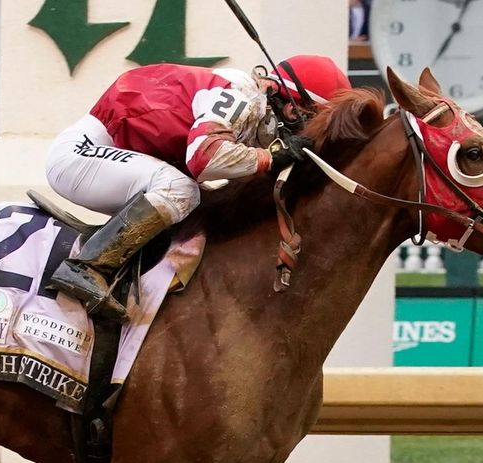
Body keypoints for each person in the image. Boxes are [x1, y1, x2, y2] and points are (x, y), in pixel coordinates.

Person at [43, 56, 351, 320]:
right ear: (290, 106)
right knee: (180, 190)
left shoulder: (250, 106)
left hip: (112, 155)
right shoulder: (242, 97)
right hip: (80, 155)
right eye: (305, 119)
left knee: (197, 202)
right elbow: (204, 158)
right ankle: (86, 267)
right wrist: (270, 157)